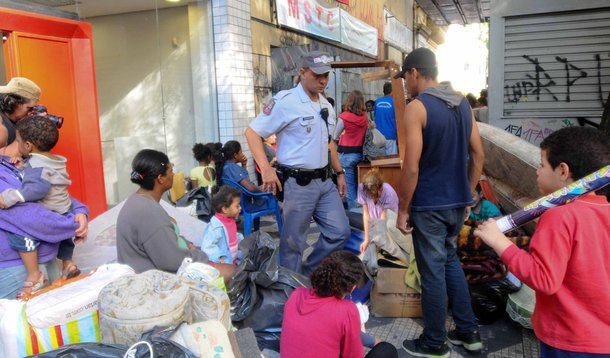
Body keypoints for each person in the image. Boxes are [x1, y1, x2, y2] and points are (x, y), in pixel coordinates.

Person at [474, 127, 610, 356]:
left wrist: (499, 241)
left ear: (563, 170)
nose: (537, 171)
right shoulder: (605, 210)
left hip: (569, 340)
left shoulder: (559, 216)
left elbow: (544, 278)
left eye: (542, 164)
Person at [394, 47, 485, 357]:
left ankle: (434, 343)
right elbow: (479, 153)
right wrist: (469, 193)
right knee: (449, 262)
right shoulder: (462, 104)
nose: (406, 84)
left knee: (432, 272)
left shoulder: (417, 108)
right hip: (457, 204)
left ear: (415, 73)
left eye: (406, 77)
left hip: (430, 206)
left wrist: (403, 207)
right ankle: (468, 330)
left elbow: (412, 167)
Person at [245, 50, 350, 275]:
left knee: (340, 231)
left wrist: (339, 173)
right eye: (317, 75)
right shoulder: (285, 102)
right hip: (298, 184)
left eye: (326, 76)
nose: (323, 80)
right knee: (293, 245)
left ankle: (306, 273)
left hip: (325, 181)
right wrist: (266, 169)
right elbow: (252, 133)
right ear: (302, 72)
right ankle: (289, 292)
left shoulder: (326, 106)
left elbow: (329, 142)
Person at [116, 149, 235, 282]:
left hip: (148, 272)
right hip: (152, 282)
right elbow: (171, 260)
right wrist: (201, 256)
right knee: (234, 272)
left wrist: (185, 242)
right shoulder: (148, 211)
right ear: (160, 178)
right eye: (170, 170)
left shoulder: (139, 200)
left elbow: (162, 242)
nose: (173, 175)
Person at [0, 116, 83, 296]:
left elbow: (48, 191)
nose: (6, 127)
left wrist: (80, 212)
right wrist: (71, 223)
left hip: (46, 258)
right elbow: (28, 216)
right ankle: (54, 267)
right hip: (14, 270)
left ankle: (55, 266)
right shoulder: (46, 161)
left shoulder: (14, 163)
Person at [280, 250, 398, 358]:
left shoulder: (296, 294)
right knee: (387, 350)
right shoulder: (346, 310)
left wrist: (369, 339)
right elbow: (353, 356)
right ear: (352, 288)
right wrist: (360, 328)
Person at [335, 90, 368, 209]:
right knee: (360, 187)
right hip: (360, 155)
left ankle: (354, 215)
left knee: (349, 189)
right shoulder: (364, 117)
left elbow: (334, 135)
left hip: (346, 155)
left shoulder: (344, 117)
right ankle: (361, 212)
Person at [357, 169, 399, 254]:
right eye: (370, 196)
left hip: (388, 225)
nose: (373, 198)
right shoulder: (361, 188)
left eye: (376, 195)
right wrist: (367, 239)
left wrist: (377, 241)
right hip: (373, 222)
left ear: (381, 187)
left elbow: (383, 221)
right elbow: (366, 214)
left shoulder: (388, 193)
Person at [200, 185, 244, 264]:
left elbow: (232, 236)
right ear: (225, 209)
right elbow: (207, 246)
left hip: (233, 261)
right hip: (224, 264)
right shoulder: (215, 227)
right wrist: (218, 258)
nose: (240, 208)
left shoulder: (230, 221)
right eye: (237, 206)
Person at [0, 77, 41, 157]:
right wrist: (30, 127)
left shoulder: (15, 119)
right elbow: (7, 159)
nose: (30, 112)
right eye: (29, 108)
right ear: (15, 103)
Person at [374, 82, 398, 155]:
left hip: (378, 136)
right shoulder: (395, 102)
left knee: (380, 161)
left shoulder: (377, 101)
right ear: (392, 91)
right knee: (392, 162)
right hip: (390, 135)